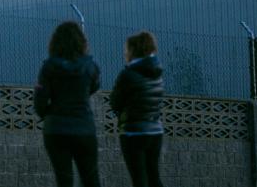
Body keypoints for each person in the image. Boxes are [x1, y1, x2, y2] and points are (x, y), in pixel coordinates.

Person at [34, 21, 101, 187]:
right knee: (90, 178)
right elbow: (94, 87)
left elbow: (40, 102)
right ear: (82, 42)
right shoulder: (90, 66)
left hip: (56, 129)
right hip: (84, 128)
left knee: (64, 180)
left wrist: (50, 114)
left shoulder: (48, 67)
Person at [110, 31, 165, 187]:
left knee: (139, 178)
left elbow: (115, 101)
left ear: (133, 50)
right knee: (154, 176)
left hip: (133, 131)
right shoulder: (157, 74)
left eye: (127, 49)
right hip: (156, 130)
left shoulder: (128, 74)